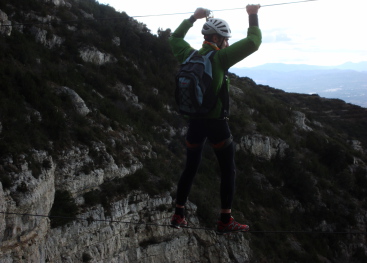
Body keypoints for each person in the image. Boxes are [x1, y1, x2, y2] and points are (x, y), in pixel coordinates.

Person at [169, 4, 262, 234]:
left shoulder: (189, 54)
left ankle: (178, 214)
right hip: (217, 124)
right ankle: (225, 220)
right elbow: (254, 42)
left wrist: (193, 17)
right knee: (228, 169)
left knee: (190, 167)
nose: (228, 43)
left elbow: (174, 38)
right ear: (217, 39)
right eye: (225, 39)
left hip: (194, 122)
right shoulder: (221, 58)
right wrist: (252, 14)